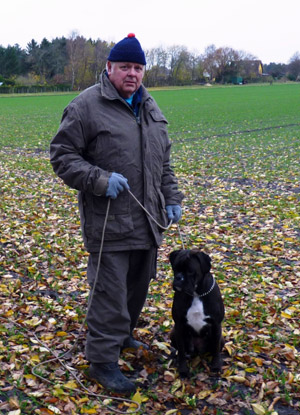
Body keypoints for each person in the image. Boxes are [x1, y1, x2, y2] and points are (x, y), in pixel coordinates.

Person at [50, 33, 184, 394]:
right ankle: (102, 361)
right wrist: (98, 178)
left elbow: (163, 164)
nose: (132, 73)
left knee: (136, 289)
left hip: (148, 220)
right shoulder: (86, 106)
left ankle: (122, 337)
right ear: (108, 68)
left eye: (138, 67)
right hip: (108, 222)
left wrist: (171, 197)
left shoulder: (151, 107)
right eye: (124, 66)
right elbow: (62, 157)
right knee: (108, 293)